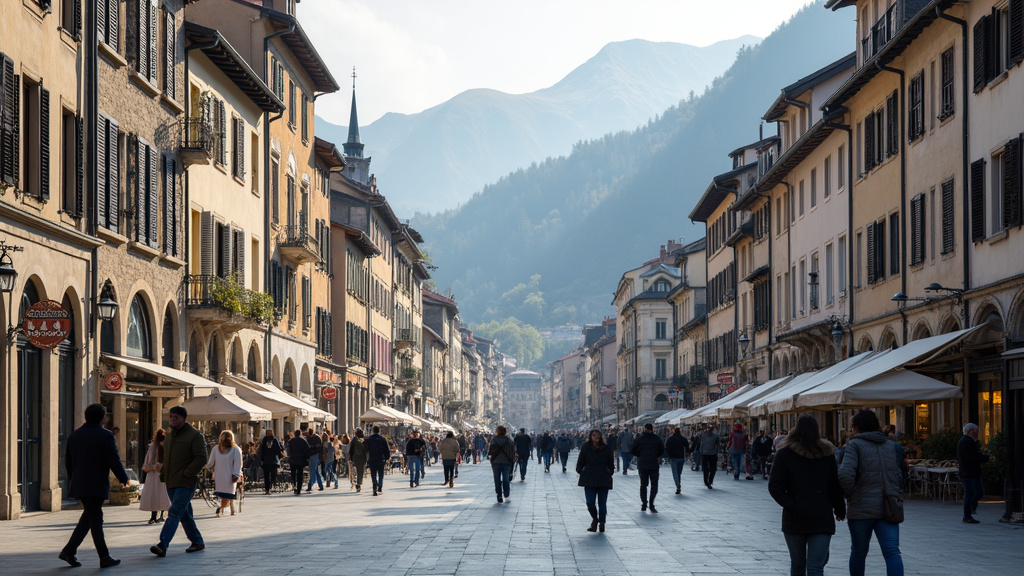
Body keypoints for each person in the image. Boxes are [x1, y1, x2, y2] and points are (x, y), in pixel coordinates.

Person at [769, 414, 846, 576]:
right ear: (817, 430)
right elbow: (834, 485)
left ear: (795, 429)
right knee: (816, 567)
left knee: (798, 565)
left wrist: (791, 504)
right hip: (821, 515)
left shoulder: (785, 454)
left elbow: (775, 486)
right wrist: (840, 510)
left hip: (794, 516)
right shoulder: (827, 454)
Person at [59, 403, 130, 568]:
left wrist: (73, 480)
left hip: (80, 483)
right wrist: (123, 477)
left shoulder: (74, 435)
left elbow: (68, 462)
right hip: (96, 484)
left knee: (88, 519)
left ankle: (69, 551)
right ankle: (104, 556)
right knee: (96, 520)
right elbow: (113, 459)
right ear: (102, 418)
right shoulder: (105, 435)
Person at [838, 409, 904, 576]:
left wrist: (852, 495)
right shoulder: (890, 445)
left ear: (857, 427)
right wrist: (895, 492)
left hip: (861, 509)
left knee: (859, 554)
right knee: (892, 552)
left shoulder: (854, 445)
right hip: (888, 507)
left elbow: (845, 475)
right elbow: (898, 473)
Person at [151, 405, 208, 558]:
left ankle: (162, 544)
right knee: (184, 514)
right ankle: (197, 541)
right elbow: (167, 458)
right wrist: (163, 474)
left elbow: (202, 457)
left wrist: (188, 473)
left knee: (174, 512)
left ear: (183, 418)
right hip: (171, 481)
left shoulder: (195, 435)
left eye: (176, 417)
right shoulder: (169, 436)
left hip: (186, 482)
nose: (172, 420)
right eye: (171, 417)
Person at [577, 429, 615, 533]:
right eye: (594, 435)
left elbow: (611, 463)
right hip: (589, 479)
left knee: (602, 503)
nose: (596, 437)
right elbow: (580, 461)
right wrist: (581, 471)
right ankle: (595, 519)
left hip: (603, 479)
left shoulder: (606, 448)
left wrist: (609, 472)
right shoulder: (586, 447)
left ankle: (602, 523)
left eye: (598, 435)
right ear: (590, 436)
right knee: (590, 503)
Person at [957, 423, 990, 524]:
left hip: (970, 471)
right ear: (970, 430)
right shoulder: (967, 441)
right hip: (969, 472)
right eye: (976, 431)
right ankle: (968, 514)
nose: (977, 433)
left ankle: (970, 509)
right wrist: (984, 457)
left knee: (976, 492)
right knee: (972, 492)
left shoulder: (967, 441)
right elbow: (971, 456)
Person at [206, 430, 242, 517]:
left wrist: (206, 467)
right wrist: (236, 474)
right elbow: (238, 464)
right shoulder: (236, 449)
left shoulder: (215, 448)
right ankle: (222, 508)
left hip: (219, 476)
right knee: (228, 494)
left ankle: (222, 508)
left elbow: (210, 462)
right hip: (230, 475)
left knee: (223, 494)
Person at [631, 423, 666, 513]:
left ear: (645, 429)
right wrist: (655, 456)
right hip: (654, 464)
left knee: (643, 485)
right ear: (652, 429)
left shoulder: (640, 438)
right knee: (654, 485)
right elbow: (662, 450)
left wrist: (640, 455)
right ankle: (651, 503)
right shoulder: (657, 438)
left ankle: (644, 503)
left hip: (642, 464)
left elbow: (633, 450)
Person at [140, 428, 170, 524]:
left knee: (153, 494)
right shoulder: (164, 446)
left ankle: (153, 516)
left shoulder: (152, 447)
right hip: (160, 472)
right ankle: (160, 515)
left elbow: (147, 462)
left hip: (152, 473)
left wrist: (150, 467)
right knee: (162, 494)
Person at [488, 425, 516, 503]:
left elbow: (490, 451)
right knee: (505, 478)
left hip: (496, 462)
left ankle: (499, 495)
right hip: (506, 462)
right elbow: (513, 451)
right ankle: (506, 493)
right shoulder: (509, 440)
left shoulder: (494, 440)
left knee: (497, 479)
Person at [365, 426, 391, 496]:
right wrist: (387, 457)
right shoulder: (383, 439)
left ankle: (374, 487)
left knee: (373, 474)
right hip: (380, 458)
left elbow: (366, 450)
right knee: (380, 473)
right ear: (379, 430)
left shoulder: (369, 439)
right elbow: (386, 449)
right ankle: (380, 485)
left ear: (373, 431)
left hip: (372, 458)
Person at [257, 429, 284, 494]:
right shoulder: (271, 440)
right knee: (270, 475)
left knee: (269, 475)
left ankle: (268, 488)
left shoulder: (268, 440)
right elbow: (278, 449)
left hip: (269, 461)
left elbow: (261, 450)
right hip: (271, 461)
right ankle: (269, 487)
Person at [665, 427, 690, 495]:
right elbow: (687, 446)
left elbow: (667, 447)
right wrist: (687, 453)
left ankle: (678, 485)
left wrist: (667, 456)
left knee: (675, 473)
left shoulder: (670, 438)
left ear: (674, 432)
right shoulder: (683, 438)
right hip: (681, 457)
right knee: (679, 473)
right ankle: (678, 484)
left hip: (673, 458)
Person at [287, 430, 310, 495]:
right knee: (300, 474)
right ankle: (299, 488)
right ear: (300, 434)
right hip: (301, 460)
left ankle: (294, 485)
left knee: (293, 474)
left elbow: (289, 450)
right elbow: (307, 450)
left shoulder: (291, 441)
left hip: (293, 459)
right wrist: (307, 458)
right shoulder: (303, 441)